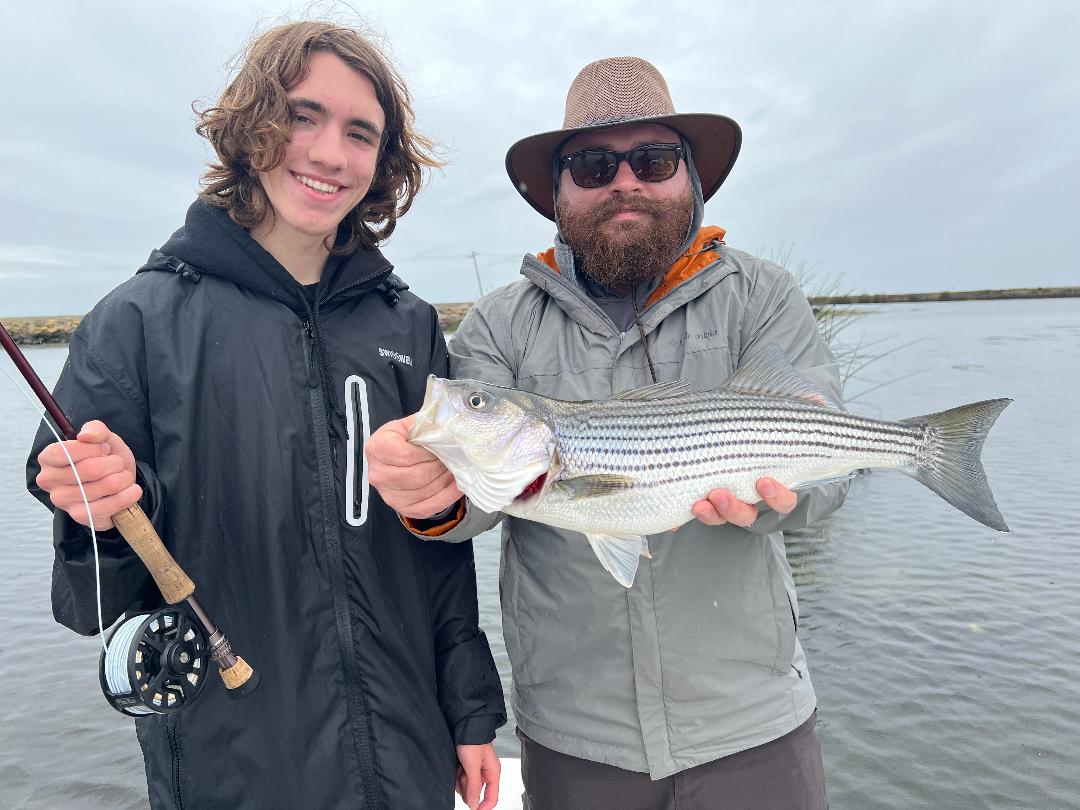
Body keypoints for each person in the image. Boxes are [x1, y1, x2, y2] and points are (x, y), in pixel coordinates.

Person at [27, 21, 504, 810]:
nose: (329, 153)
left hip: (408, 760)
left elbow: (440, 554)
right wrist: (101, 509)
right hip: (233, 771)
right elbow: (87, 604)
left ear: (380, 163)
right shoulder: (134, 324)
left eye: (361, 133)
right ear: (252, 124)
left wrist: (473, 710)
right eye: (304, 116)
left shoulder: (409, 326)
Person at [366, 57, 850, 809]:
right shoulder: (499, 324)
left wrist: (783, 497)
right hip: (573, 733)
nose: (625, 182)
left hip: (751, 724)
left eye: (653, 160)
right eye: (592, 166)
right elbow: (480, 504)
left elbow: (830, 479)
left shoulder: (761, 295)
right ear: (556, 193)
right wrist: (429, 496)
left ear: (689, 176)